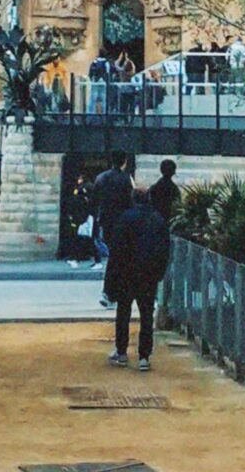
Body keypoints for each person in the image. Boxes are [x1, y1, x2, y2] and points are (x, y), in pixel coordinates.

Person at [103, 185, 170, 372]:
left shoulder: (125, 218)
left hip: (127, 273)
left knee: (123, 313)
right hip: (148, 274)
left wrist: (111, 280)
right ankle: (144, 356)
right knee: (147, 315)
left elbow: (116, 251)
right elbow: (165, 249)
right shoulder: (158, 219)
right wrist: (159, 272)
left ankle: (122, 352)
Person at [90, 153, 135, 299]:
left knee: (114, 256)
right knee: (120, 258)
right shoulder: (126, 178)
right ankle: (115, 292)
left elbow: (94, 200)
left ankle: (110, 292)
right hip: (123, 222)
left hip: (106, 221)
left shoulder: (101, 178)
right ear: (125, 162)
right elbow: (131, 200)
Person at [149, 157, 181, 232]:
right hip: (169, 223)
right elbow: (177, 207)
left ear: (161, 170)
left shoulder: (154, 188)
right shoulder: (174, 190)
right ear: (173, 172)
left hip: (155, 222)